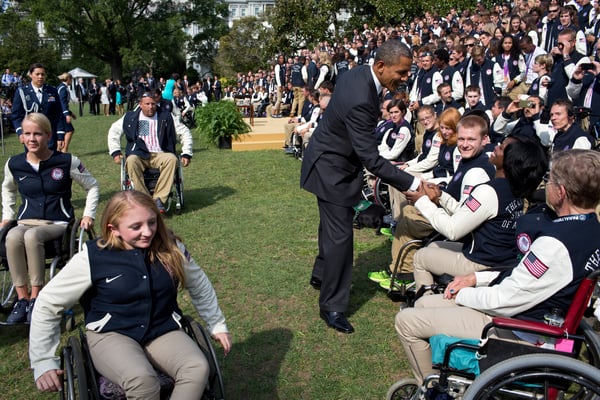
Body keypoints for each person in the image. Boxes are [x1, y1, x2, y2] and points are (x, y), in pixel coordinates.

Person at [395, 149, 600, 385]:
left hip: (522, 329)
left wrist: (464, 293)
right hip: (535, 315)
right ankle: (445, 372)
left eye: (550, 180)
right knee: (423, 302)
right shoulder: (591, 230)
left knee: (407, 321)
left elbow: (503, 300)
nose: (547, 185)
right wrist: (476, 278)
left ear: (561, 192)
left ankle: (430, 387)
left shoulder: (555, 244)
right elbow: (524, 275)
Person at [29, 190, 232, 398]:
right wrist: (43, 360)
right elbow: (47, 303)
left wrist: (216, 324)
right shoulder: (93, 256)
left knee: (197, 367)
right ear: (114, 229)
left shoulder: (170, 248)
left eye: (152, 222)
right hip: (111, 333)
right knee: (141, 380)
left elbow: (199, 284)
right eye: (136, 227)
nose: (147, 232)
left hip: (161, 327)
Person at [301, 39, 420, 334]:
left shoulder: (357, 74)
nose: (405, 79)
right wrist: (412, 183)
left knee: (330, 229)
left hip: (331, 162)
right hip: (331, 170)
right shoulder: (361, 97)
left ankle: (320, 275)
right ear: (380, 66)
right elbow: (370, 158)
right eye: (401, 73)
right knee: (340, 238)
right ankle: (332, 306)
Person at [409, 135, 547, 292]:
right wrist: (441, 196)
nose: (495, 146)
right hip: (501, 259)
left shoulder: (489, 191)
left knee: (421, 257)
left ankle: (425, 304)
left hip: (483, 263)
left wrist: (421, 201)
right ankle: (443, 290)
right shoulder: (516, 188)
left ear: (511, 160)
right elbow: (467, 214)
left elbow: (452, 230)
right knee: (434, 245)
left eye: (501, 148)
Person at [1, 113, 99, 324]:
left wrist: (89, 214)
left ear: (48, 135)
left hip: (57, 223)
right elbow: (7, 189)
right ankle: (22, 299)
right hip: (26, 221)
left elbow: (92, 186)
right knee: (12, 237)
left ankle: (37, 296)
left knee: (31, 236)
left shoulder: (66, 161)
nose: (32, 139)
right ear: (21, 137)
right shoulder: (14, 164)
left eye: (38, 134)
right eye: (27, 134)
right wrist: (7, 217)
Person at [108, 91, 192, 214]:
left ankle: (159, 200)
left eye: (153, 103)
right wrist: (115, 152)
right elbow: (114, 132)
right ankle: (145, 200)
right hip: (140, 153)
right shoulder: (131, 117)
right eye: (147, 104)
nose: (150, 106)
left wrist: (186, 153)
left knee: (172, 159)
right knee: (131, 160)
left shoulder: (165, 116)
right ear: (140, 104)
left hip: (161, 153)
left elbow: (184, 132)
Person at [11, 63, 67, 151]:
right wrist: (20, 132)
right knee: (33, 162)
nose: (40, 77)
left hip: (49, 136)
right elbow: (16, 115)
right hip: (31, 136)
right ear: (30, 75)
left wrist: (60, 135)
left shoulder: (52, 91)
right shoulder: (22, 92)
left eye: (42, 74)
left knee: (50, 161)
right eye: (37, 74)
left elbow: (58, 114)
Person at [57, 72, 76, 153]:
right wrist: (67, 114)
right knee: (69, 130)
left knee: (67, 130)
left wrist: (70, 113)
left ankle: (60, 150)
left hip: (61, 112)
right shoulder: (63, 88)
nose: (71, 81)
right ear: (68, 79)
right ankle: (64, 150)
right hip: (61, 114)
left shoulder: (62, 87)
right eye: (71, 79)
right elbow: (62, 102)